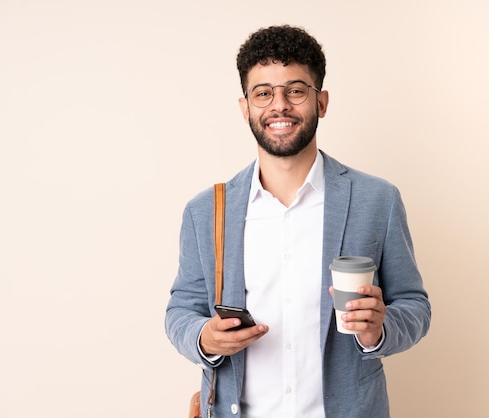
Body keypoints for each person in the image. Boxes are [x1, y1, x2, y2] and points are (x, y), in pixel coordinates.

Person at [165, 25, 431, 418]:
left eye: (295, 90)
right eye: (263, 93)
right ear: (246, 109)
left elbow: (414, 305)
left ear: (321, 102)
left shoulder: (378, 200)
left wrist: (380, 328)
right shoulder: (206, 210)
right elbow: (181, 310)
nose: (279, 106)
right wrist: (204, 337)